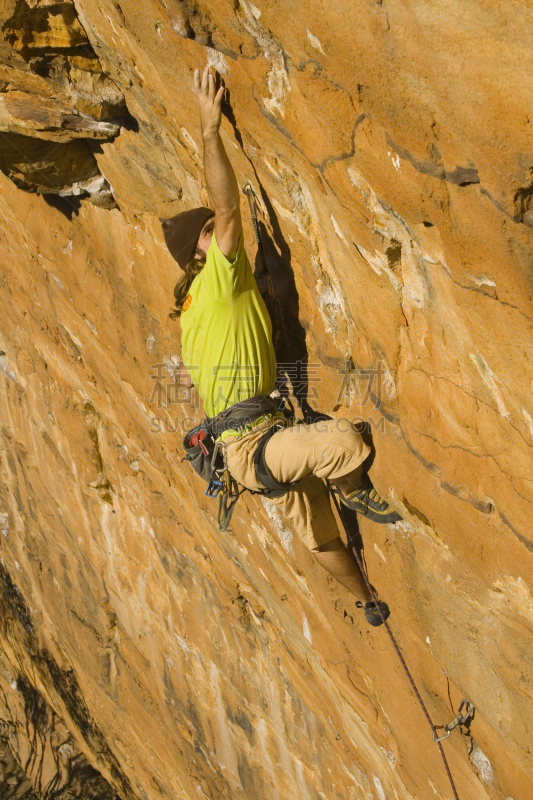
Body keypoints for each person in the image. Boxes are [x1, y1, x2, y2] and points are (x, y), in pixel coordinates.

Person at [162, 67, 401, 627]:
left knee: (319, 535)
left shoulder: (203, 304)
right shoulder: (217, 278)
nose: (220, 236)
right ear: (200, 256)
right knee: (344, 440)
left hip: (254, 446)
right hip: (257, 448)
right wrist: (209, 132)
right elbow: (227, 212)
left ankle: (366, 600)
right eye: (207, 236)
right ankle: (352, 486)